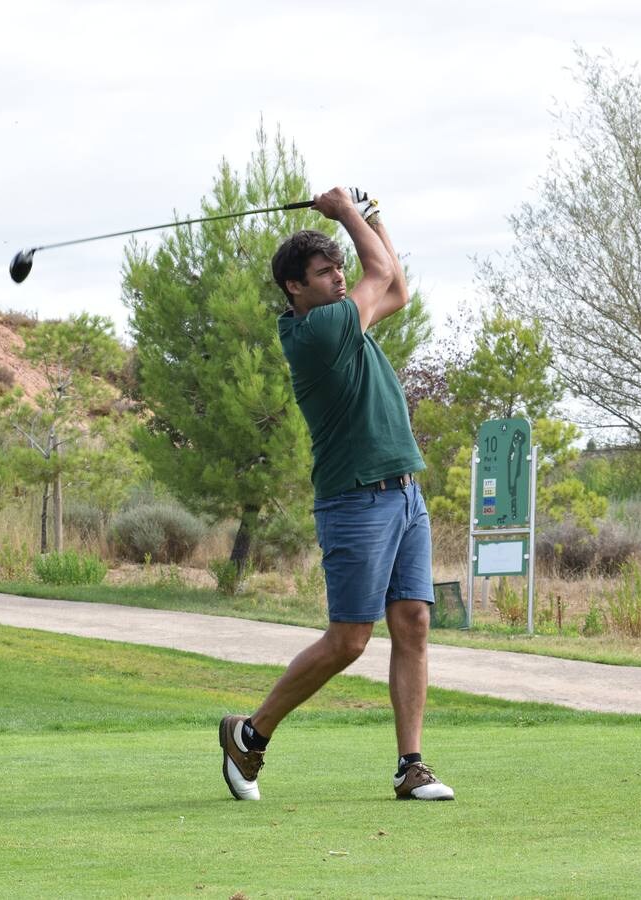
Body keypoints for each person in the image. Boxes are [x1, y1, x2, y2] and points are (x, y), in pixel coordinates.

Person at [219, 186, 453, 802]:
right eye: (325, 272)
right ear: (296, 288)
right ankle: (251, 732)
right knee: (350, 639)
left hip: (404, 494)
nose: (338, 278)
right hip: (355, 500)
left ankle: (411, 766)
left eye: (338, 268)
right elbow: (381, 274)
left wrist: (373, 216)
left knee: (414, 623)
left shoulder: (345, 317)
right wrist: (346, 211)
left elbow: (394, 286)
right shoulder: (319, 331)